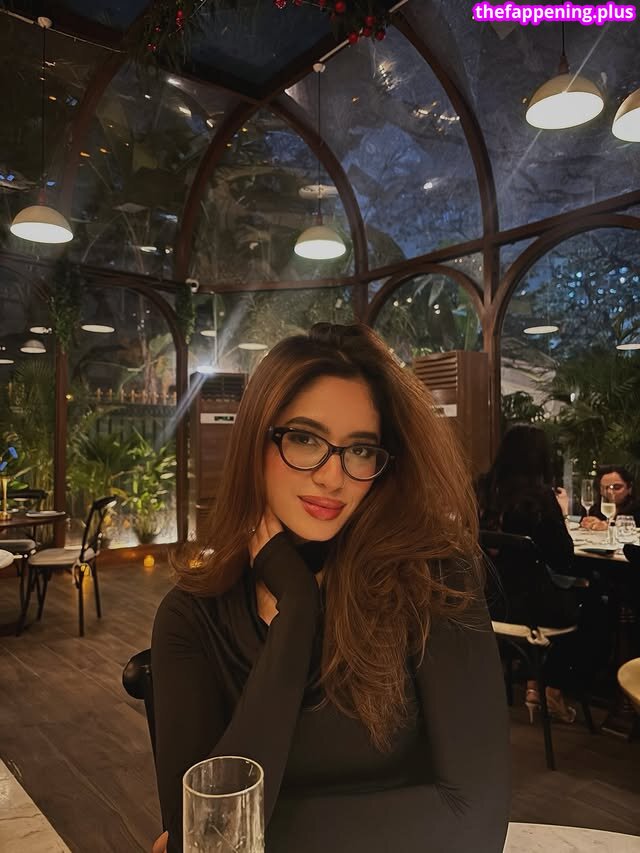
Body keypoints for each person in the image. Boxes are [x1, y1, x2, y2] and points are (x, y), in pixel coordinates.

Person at [150, 323, 510, 853]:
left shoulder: (432, 578)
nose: (333, 477)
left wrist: (240, 833)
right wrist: (297, 615)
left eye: (360, 449)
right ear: (256, 441)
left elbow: (477, 820)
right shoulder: (191, 617)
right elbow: (200, 840)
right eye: (304, 438)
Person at [476, 424, 579, 724]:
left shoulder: (481, 490)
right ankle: (552, 689)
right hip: (530, 612)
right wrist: (560, 514)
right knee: (592, 606)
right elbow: (564, 559)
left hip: (488, 604)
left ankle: (534, 683)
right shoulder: (539, 499)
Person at [581, 465, 640, 530]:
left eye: (616, 487)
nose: (610, 492)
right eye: (605, 488)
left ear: (629, 488)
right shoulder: (593, 510)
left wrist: (609, 526)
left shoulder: (637, 510)